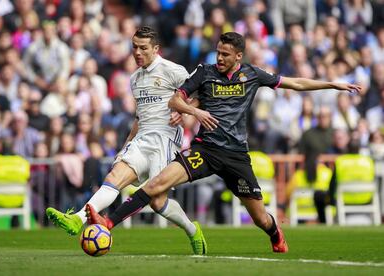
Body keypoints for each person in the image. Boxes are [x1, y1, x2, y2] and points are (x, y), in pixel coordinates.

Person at [87, 32, 362, 253]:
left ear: (238, 56)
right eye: (218, 52)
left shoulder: (252, 75)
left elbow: (296, 83)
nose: (219, 57)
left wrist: (332, 84)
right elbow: (175, 99)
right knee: (157, 184)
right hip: (204, 149)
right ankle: (108, 222)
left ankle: (275, 232)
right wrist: (196, 111)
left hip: (236, 157)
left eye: (225, 54)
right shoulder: (204, 73)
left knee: (260, 218)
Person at [46, 26, 207, 255]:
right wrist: (125, 146)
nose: (137, 52)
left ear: (156, 49)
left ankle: (193, 231)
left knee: (158, 202)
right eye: (134, 47)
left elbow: (202, 92)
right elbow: (140, 117)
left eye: (143, 48)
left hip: (166, 139)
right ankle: (77, 219)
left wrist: (186, 110)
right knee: (113, 177)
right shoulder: (134, 79)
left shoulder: (172, 70)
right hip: (142, 138)